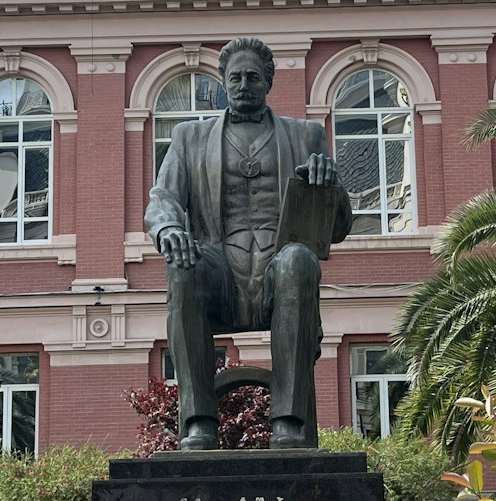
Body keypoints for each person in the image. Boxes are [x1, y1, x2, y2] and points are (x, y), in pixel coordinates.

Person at [145, 36, 353, 451]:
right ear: (223, 81)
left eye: (253, 77)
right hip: (219, 272)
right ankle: (198, 423)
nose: (243, 85)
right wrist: (169, 230)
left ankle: (288, 423)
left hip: (280, 274)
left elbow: (339, 227)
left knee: (298, 259)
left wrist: (331, 187)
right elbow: (162, 198)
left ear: (268, 82)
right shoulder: (189, 138)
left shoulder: (307, 136)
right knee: (182, 269)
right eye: (235, 77)